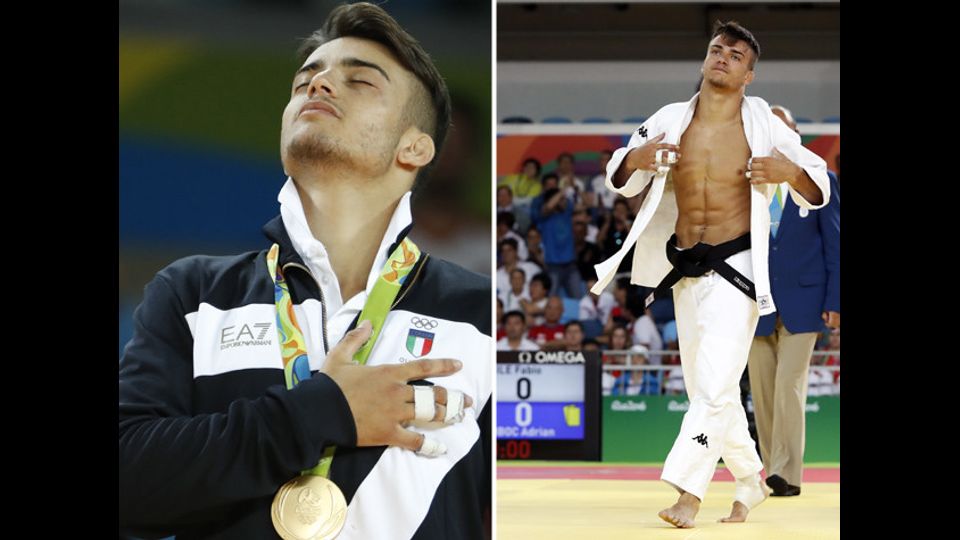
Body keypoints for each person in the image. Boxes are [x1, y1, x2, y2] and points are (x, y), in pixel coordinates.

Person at [119, 4, 491, 539]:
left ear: (415, 147)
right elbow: (130, 485)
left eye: (359, 80)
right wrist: (322, 411)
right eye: (305, 80)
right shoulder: (194, 294)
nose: (319, 86)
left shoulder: (483, 317)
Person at [591, 21, 829, 528]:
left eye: (736, 55)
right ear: (705, 59)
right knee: (708, 388)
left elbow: (820, 185)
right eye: (717, 49)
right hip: (685, 267)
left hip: (739, 266)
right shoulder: (671, 119)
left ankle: (688, 493)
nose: (723, 57)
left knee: (717, 384)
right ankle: (750, 480)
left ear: (749, 74)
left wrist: (787, 173)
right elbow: (617, 175)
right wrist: (639, 155)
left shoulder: (765, 123)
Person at [747, 104, 840, 498]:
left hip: (805, 301)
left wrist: (835, 299)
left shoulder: (821, 182)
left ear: (796, 136)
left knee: (789, 386)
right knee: (763, 391)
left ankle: (788, 473)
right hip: (754, 304)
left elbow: (835, 245)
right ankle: (772, 472)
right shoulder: (746, 184)